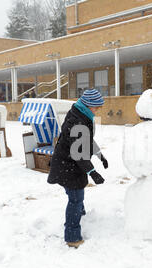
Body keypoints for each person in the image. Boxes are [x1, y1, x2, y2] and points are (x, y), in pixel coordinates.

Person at [47, 89, 109, 248]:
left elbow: (86, 141)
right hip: (68, 166)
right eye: (96, 107)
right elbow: (79, 153)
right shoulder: (77, 122)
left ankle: (80, 215)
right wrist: (92, 172)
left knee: (76, 195)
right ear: (88, 105)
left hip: (69, 164)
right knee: (75, 198)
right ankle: (72, 237)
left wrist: (99, 155)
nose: (97, 110)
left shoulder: (81, 115)